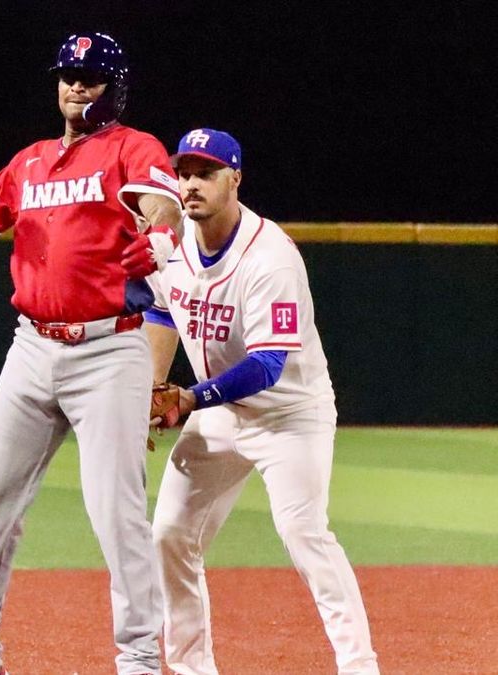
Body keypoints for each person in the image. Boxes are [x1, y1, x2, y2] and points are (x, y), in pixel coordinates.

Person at [0, 32, 183, 675]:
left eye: (91, 76)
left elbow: (162, 206)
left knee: (116, 512)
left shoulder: (132, 147)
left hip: (109, 350)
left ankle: (139, 659)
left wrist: (161, 236)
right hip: (31, 348)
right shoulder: (29, 161)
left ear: (115, 88)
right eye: (68, 75)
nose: (76, 85)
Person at [145, 129, 379, 674]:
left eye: (206, 173)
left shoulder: (269, 255)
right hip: (219, 413)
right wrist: (154, 390)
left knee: (303, 532)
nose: (191, 184)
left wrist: (189, 397)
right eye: (184, 173)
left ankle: (359, 665)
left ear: (235, 179)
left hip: (290, 416)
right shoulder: (173, 246)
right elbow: (160, 311)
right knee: (171, 534)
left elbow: (268, 364)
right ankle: (190, 668)